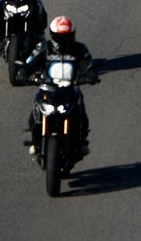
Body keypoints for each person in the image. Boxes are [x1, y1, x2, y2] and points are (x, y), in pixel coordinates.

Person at [23, 16, 98, 157]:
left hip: (70, 88)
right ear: (53, 35)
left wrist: (90, 74)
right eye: (60, 37)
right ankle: (35, 140)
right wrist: (23, 72)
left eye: (66, 36)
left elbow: (87, 64)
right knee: (35, 112)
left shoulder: (79, 49)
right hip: (48, 88)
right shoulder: (44, 47)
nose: (63, 40)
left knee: (80, 109)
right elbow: (30, 61)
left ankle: (82, 140)